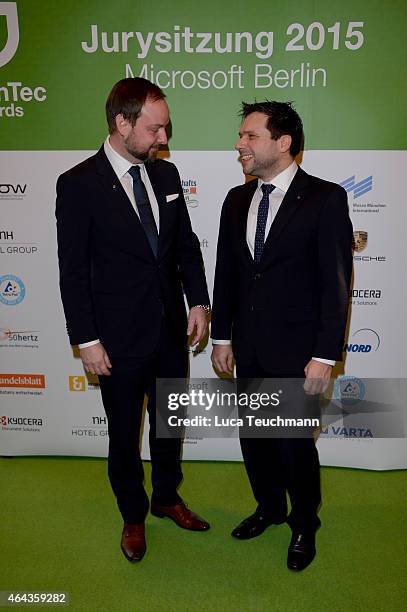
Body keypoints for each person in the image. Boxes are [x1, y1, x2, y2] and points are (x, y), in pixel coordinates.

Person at [56, 77, 211, 563]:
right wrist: (86, 339)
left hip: (170, 331)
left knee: (169, 424)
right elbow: (73, 271)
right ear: (122, 124)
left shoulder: (166, 176)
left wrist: (199, 302)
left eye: (165, 129)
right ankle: (133, 514)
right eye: (155, 129)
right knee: (123, 435)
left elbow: (185, 246)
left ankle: (167, 496)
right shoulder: (78, 184)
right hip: (116, 339)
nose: (163, 139)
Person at [211, 101, 352, 571]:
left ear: (283, 142)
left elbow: (336, 283)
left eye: (250, 136)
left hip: (299, 353)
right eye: (241, 136)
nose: (240, 144)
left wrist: (324, 354)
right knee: (255, 438)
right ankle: (270, 509)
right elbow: (227, 273)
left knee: (294, 446)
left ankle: (303, 523)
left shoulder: (325, 198)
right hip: (247, 347)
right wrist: (221, 338)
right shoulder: (236, 199)